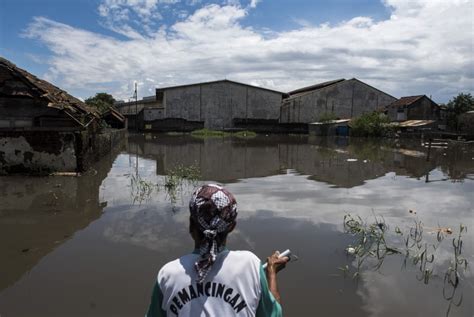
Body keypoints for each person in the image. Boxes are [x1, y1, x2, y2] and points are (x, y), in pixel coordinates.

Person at [146, 184, 288, 317]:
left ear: (191, 225)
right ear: (231, 226)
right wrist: (271, 273)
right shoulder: (250, 265)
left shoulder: (168, 275)